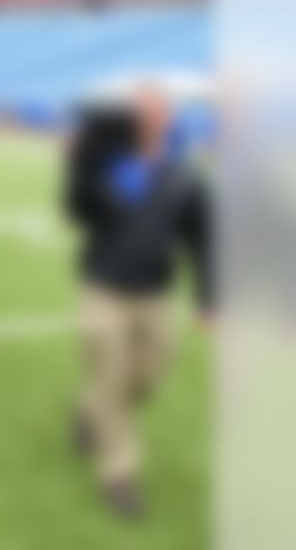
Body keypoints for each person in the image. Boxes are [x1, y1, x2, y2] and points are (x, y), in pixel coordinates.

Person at [65, 83, 213, 519]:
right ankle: (119, 474)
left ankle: (86, 409)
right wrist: (81, 163)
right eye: (140, 111)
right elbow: (77, 210)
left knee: (148, 379)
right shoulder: (106, 166)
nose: (148, 119)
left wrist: (209, 298)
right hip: (103, 289)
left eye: (156, 111)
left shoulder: (186, 176)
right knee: (112, 377)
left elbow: (202, 241)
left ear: (168, 118)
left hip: (156, 296)